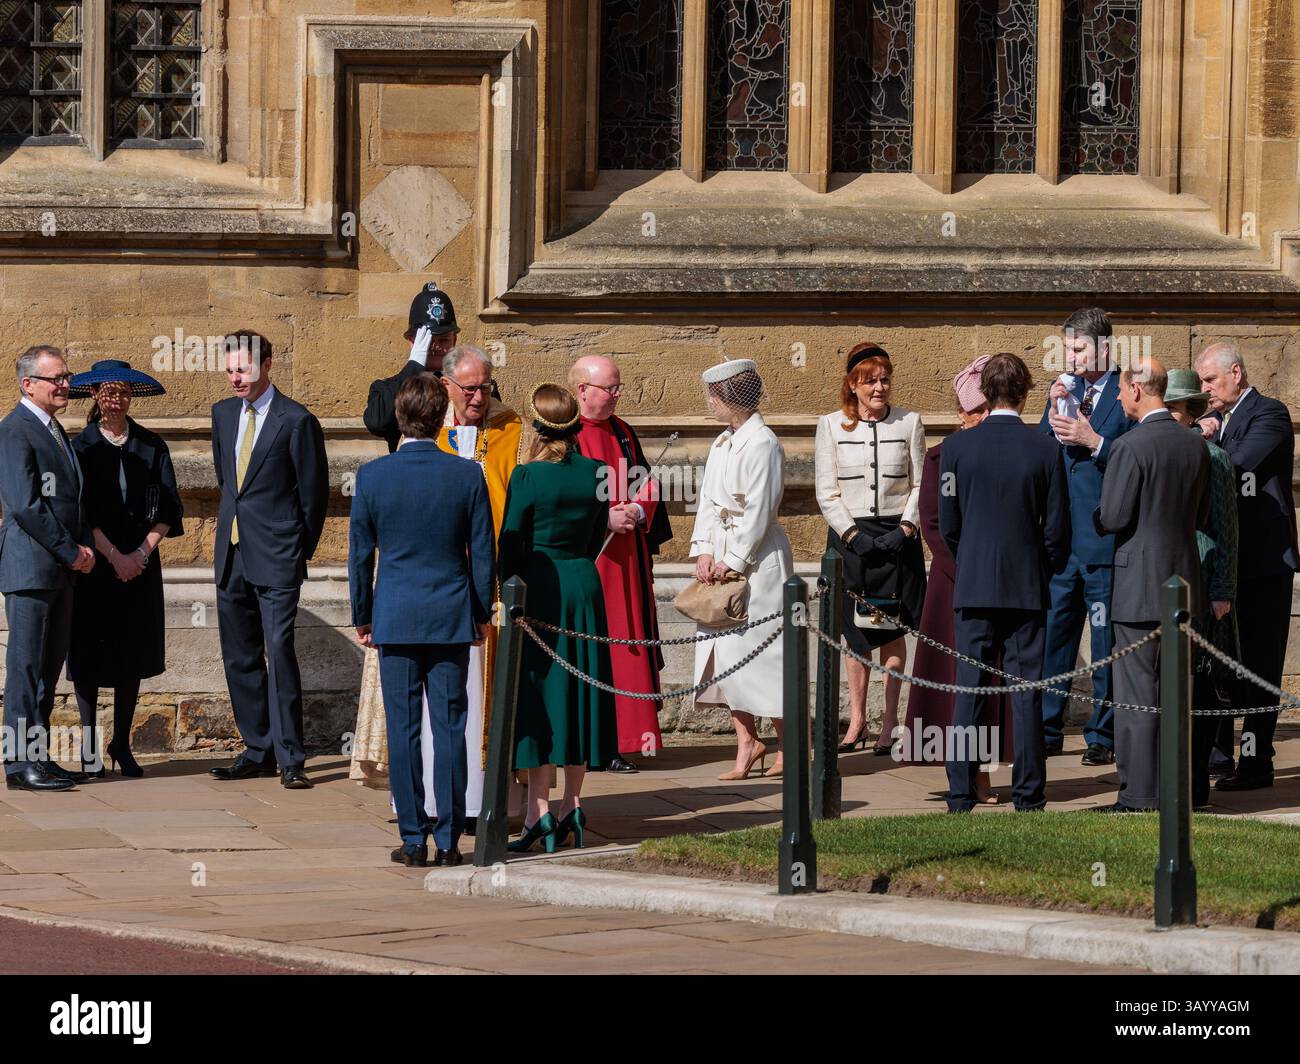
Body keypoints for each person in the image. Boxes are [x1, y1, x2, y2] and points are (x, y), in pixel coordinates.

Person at [350, 345, 522, 833]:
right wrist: (478, 613)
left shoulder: (372, 476)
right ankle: (448, 836)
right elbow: (482, 551)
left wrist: (363, 615)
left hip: (396, 617)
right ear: (440, 408)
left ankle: (411, 835)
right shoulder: (466, 475)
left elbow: (361, 557)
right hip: (452, 618)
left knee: (404, 732)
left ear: (400, 419)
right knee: (451, 730)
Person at [939, 353, 1070, 813]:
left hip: (974, 585)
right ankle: (1029, 795)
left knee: (968, 692)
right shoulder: (1045, 448)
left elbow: (948, 524)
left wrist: (971, 561)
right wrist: (1041, 569)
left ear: (986, 393)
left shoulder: (956, 449)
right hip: (1026, 587)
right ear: (1024, 392)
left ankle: (959, 793)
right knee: (1027, 694)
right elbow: (1057, 529)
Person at [500, 384, 618, 853]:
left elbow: (511, 541)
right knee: (579, 692)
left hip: (540, 587)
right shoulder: (598, 473)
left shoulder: (527, 475)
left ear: (537, 426)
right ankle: (573, 804)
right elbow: (595, 537)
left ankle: (538, 812)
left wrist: (507, 586)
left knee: (541, 698)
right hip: (584, 585)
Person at [209, 332, 329, 790]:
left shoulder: (296, 420)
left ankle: (291, 756)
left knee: (278, 653)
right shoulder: (222, 415)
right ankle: (256, 749)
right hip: (232, 554)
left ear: (267, 366)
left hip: (277, 557)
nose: (236, 377)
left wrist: (297, 551)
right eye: (230, 370)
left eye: (243, 368)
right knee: (239, 655)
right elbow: (228, 483)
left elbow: (312, 497)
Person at [1094, 356, 1208, 813]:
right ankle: (1175, 790)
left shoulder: (1130, 446)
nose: (1120, 397)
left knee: (1137, 695)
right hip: (1184, 581)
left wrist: (1097, 518)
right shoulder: (1194, 445)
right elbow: (1199, 518)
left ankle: (1139, 796)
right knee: (1176, 694)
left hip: (1138, 585)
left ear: (1138, 389)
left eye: (1122, 389)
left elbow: (1115, 515)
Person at [66, 361, 184, 779]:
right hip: (95, 565)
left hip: (141, 565)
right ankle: (90, 748)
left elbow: (170, 507)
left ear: (131, 396)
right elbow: (80, 511)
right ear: (95, 396)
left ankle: (122, 742)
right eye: (108, 392)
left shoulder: (152, 445)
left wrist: (140, 554)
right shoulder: (80, 449)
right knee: (89, 654)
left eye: (122, 392)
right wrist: (115, 555)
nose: (115, 399)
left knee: (131, 654)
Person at [903, 356, 1010, 802]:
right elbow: (931, 523)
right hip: (955, 582)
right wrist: (966, 569)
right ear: (962, 414)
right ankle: (959, 775)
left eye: (987, 410)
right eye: (975, 412)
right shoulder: (941, 456)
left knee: (989, 683)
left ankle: (983, 771)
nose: (981, 420)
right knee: (956, 686)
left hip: (994, 581)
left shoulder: (1005, 450)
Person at [814, 343, 926, 756]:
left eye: (885, 379)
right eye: (871, 381)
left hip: (898, 538)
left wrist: (907, 527)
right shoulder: (829, 425)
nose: (880, 388)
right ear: (852, 384)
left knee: (893, 629)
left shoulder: (910, 422)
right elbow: (826, 491)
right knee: (855, 632)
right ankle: (857, 719)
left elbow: (919, 482)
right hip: (851, 540)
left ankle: (890, 721)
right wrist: (851, 535)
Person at [1195, 343, 1298, 791]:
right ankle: (1218, 755)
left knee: (1259, 665)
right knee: (1219, 664)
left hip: (1262, 565)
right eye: (1200, 382)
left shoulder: (1269, 414)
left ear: (1236, 373)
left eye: (1210, 380)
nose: (1204, 389)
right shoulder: (1215, 423)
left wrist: (1205, 440)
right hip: (1224, 564)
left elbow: (1236, 466)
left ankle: (1256, 763)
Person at [689, 360, 793, 780]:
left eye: (715, 394)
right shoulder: (722, 443)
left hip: (760, 563)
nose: (710, 401)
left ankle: (789, 746)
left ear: (731, 398)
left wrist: (734, 563)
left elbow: (759, 511)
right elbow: (710, 503)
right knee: (724, 653)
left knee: (765, 653)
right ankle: (747, 741)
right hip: (723, 554)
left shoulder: (763, 443)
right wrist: (703, 552)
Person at [570, 355, 674, 773]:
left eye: (617, 388)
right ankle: (585, 743)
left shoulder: (624, 432)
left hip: (626, 563)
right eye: (608, 388)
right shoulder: (565, 433)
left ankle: (620, 741)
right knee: (590, 649)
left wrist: (637, 507)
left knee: (625, 649)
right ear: (581, 390)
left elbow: (645, 481)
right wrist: (603, 517)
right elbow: (558, 495)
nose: (616, 395)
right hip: (588, 563)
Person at [1039, 308, 1133, 766]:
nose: (1070, 357)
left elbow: (1138, 458)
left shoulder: (1126, 391)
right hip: (1062, 543)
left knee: (1103, 639)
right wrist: (1055, 409)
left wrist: (1093, 440)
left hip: (1105, 540)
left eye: (1077, 348)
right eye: (1068, 348)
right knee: (1056, 634)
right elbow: (1040, 457)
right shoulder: (1062, 391)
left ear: (1104, 349)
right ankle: (1046, 726)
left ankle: (1102, 731)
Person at [0, 346, 95, 792]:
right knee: (25, 668)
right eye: (56, 378)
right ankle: (18, 765)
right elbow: (25, 506)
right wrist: (70, 550)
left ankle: (39, 756)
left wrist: (80, 551)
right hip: (31, 568)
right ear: (28, 384)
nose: (65, 385)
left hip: (60, 570)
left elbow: (70, 500)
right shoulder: (14, 430)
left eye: (66, 376)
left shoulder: (55, 429)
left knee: (47, 670)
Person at [1164, 368, 1238, 808]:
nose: (1168, 415)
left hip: (1204, 579)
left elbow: (1227, 532)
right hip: (1164, 578)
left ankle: (1195, 785)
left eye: (1175, 408)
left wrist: (1222, 590)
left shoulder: (1215, 458)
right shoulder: (1156, 450)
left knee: (1201, 684)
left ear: (1190, 412)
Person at [363, 284, 460, 453]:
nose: (436, 347)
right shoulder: (387, 387)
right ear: (411, 341)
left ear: (455, 340)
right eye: (429, 340)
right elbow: (377, 422)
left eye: (444, 340)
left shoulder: (471, 385)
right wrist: (414, 365)